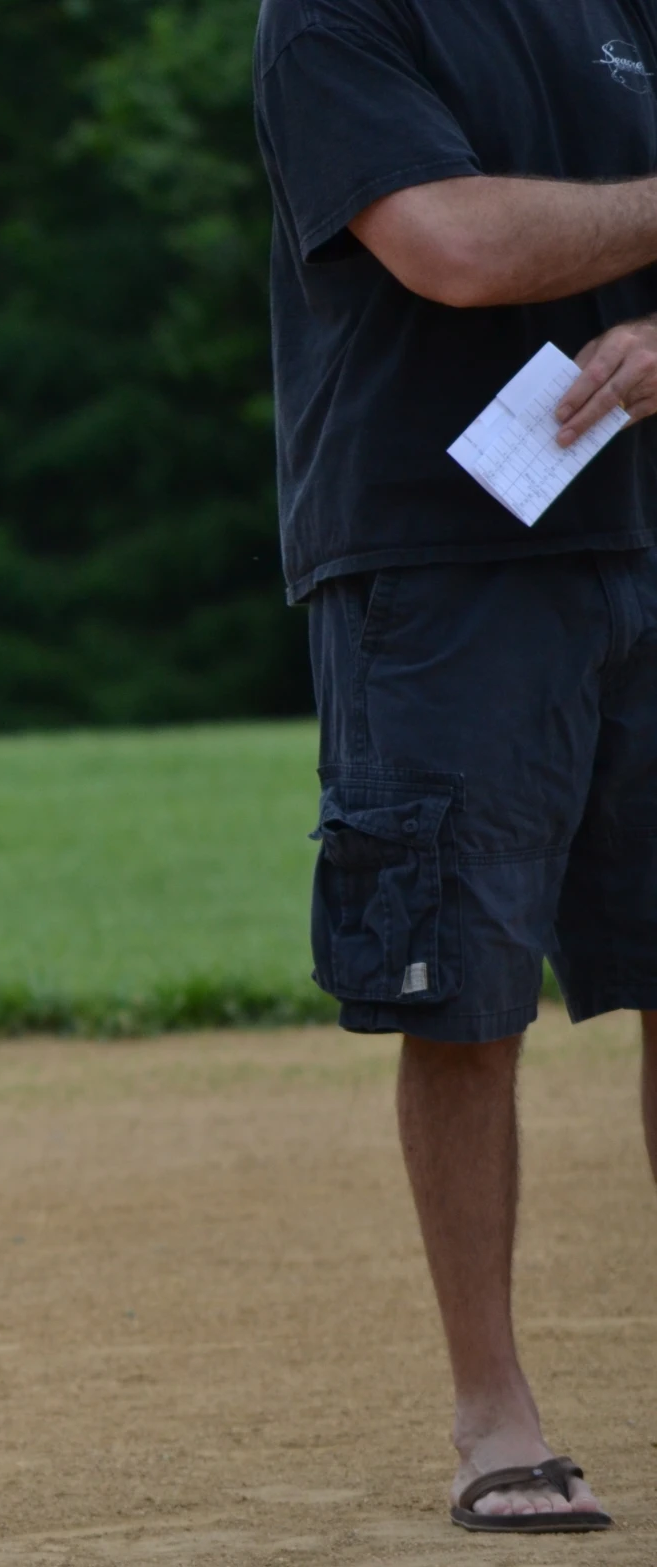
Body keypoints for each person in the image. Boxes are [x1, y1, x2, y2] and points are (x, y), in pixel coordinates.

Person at [253, 0, 657, 1534]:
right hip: (443, 558)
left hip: (643, 524)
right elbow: (449, 245)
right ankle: (494, 1412)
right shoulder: (335, 19)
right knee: (464, 989)